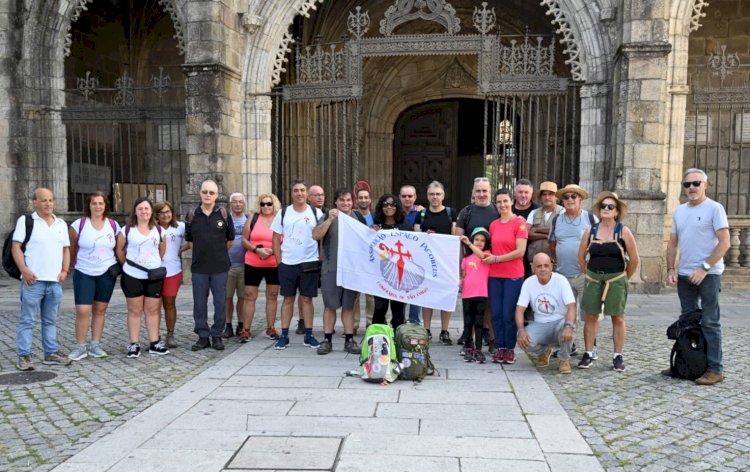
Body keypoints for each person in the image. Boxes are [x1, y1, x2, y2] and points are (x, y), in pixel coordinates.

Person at [664, 168, 730, 385]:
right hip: (684, 274)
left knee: (710, 322)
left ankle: (715, 369)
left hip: (709, 274)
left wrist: (704, 267)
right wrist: (671, 269)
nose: (691, 187)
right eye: (687, 184)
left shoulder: (714, 208)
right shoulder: (680, 211)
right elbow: (672, 243)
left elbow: (725, 243)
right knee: (687, 321)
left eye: (696, 183)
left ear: (705, 185)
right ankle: (686, 364)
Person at [577, 192, 639, 371]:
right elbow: (581, 256)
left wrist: (624, 278)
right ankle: (589, 353)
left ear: (616, 212)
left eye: (610, 207)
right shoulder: (591, 230)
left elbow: (634, 259)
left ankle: (617, 356)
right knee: (590, 316)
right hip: (593, 279)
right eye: (603, 206)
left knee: (618, 317)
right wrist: (589, 274)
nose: (606, 209)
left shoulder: (623, 231)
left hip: (616, 279)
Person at [13, 188, 72, 370]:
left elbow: (66, 249)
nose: (48, 204)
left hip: (54, 282)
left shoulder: (60, 223)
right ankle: (25, 356)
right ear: (35, 202)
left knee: (50, 320)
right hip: (33, 281)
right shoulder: (26, 221)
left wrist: (65, 270)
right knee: (27, 320)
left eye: (50, 200)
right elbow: (16, 247)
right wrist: (24, 270)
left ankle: (51, 353)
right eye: (44, 200)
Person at [67, 191, 121, 361]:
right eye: (94, 203)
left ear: (106, 206)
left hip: (106, 273)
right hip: (84, 272)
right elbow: (71, 248)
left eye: (101, 203)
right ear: (88, 206)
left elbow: (119, 249)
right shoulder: (79, 225)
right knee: (83, 310)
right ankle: (80, 345)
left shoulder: (113, 225)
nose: (97, 206)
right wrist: (70, 266)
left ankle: (95, 344)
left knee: (100, 310)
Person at [271, 180, 324, 350]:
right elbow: (275, 238)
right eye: (296, 190)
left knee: (307, 299)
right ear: (291, 193)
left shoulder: (316, 212)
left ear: (307, 194)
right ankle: (284, 335)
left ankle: (309, 335)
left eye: (302, 190)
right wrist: (279, 262)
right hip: (288, 263)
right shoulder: (283, 212)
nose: (299, 193)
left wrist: (320, 258)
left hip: (309, 262)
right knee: (288, 299)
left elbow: (322, 237)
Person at [312, 188, 364, 355]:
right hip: (331, 267)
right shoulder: (327, 215)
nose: (345, 203)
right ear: (335, 202)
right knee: (330, 305)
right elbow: (316, 235)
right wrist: (329, 220)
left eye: (348, 200)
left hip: (351, 269)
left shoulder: (358, 218)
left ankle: (349, 339)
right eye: (342, 200)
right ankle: (327, 339)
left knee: (349, 306)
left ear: (352, 201)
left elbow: (367, 239)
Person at [115, 197, 168, 358]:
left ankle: (154, 342)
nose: (144, 211)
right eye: (140, 209)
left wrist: (151, 264)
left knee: (152, 310)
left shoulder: (159, 231)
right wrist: (130, 266)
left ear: (151, 211)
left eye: (146, 208)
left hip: (153, 275)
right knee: (134, 310)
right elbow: (120, 251)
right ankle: (134, 343)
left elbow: (161, 250)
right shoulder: (127, 230)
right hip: (132, 275)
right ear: (135, 212)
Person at [549, 184, 597, 357]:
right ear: (562, 200)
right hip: (563, 275)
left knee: (589, 315)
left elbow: (599, 242)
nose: (570, 199)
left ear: (580, 200)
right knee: (564, 314)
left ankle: (592, 348)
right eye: (566, 197)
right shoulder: (557, 220)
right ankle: (570, 346)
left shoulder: (590, 219)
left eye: (573, 197)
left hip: (585, 275)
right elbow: (552, 244)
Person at [186, 180, 235, 352]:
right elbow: (190, 240)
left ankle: (217, 336)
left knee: (220, 303)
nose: (208, 195)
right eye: (205, 192)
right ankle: (203, 336)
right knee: (199, 303)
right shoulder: (192, 215)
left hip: (220, 267)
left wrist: (216, 252)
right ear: (200, 193)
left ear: (217, 195)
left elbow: (230, 240)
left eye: (211, 193)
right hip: (199, 268)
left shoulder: (223, 214)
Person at [455, 177, 500, 352]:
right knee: (471, 304)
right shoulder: (466, 212)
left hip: (493, 264)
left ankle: (490, 337)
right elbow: (457, 239)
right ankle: (469, 338)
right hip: (472, 266)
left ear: (490, 191)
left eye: (485, 191)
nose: (481, 194)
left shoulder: (497, 210)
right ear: (473, 192)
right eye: (478, 191)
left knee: (490, 304)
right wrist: (460, 267)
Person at [515, 253, 577, 374]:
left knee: (568, 328)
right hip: (540, 324)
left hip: (560, 322)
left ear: (551, 266)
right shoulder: (528, 283)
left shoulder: (561, 280)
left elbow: (571, 306)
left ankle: (564, 359)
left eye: (546, 265)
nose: (543, 269)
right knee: (523, 340)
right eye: (539, 266)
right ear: (533, 268)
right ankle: (543, 351)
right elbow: (519, 309)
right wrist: (521, 331)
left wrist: (568, 325)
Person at [486, 188, 528, 364]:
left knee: (508, 314)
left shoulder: (519, 223)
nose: (502, 205)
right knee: (496, 313)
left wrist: (496, 258)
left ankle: (509, 349)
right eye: (499, 202)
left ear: (512, 201)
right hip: (494, 275)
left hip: (513, 275)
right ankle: (500, 347)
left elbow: (520, 251)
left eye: (505, 201)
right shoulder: (494, 225)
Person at [414, 180, 456, 344]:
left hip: (446, 263)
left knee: (446, 295)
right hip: (426, 263)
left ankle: (445, 330)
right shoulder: (421, 214)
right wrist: (426, 235)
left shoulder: (451, 213)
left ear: (443, 195)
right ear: (427, 196)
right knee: (427, 296)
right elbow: (417, 236)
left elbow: (454, 237)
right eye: (432, 194)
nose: (435, 197)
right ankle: (427, 329)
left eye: (438, 194)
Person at [242, 193, 282, 342]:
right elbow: (244, 240)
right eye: (263, 204)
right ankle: (246, 330)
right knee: (249, 295)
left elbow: (284, 238)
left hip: (273, 262)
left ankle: (271, 328)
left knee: (272, 295)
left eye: (269, 204)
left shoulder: (279, 219)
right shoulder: (253, 218)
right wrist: (256, 250)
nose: (266, 207)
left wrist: (274, 250)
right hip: (253, 261)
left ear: (274, 205)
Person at [371, 193, 413, 329]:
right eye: (385, 204)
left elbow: (415, 248)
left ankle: (398, 339)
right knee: (379, 310)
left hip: (399, 275)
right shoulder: (375, 227)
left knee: (399, 312)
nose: (388, 207)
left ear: (397, 207)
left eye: (392, 204)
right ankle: (377, 339)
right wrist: (371, 232)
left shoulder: (406, 227)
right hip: (380, 275)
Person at [154, 200, 189, 348]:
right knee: (153, 306)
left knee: (169, 304)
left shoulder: (180, 227)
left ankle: (170, 333)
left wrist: (179, 250)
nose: (165, 215)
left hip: (172, 271)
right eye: (161, 212)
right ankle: (155, 335)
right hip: (154, 271)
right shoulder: (151, 228)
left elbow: (192, 240)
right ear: (156, 215)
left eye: (168, 211)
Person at [295, 184, 326, 335]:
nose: (320, 197)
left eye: (322, 194)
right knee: (304, 293)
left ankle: (328, 323)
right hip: (308, 258)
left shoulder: (325, 213)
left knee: (326, 291)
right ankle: (302, 321)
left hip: (325, 259)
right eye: (316, 195)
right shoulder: (303, 213)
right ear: (309, 197)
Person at [459, 227, 492, 363]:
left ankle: (478, 349)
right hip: (467, 295)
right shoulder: (466, 259)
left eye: (482, 240)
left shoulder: (488, 254)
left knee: (479, 323)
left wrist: (469, 243)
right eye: (476, 239)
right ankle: (468, 347)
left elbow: (482, 256)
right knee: (468, 323)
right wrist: (459, 281)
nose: (479, 242)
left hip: (481, 294)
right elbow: (463, 275)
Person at [224, 192, 248, 340]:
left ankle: (241, 323)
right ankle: (228, 325)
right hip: (228, 266)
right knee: (227, 297)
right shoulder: (225, 220)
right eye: (235, 202)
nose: (238, 204)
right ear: (230, 204)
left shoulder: (249, 220)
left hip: (245, 265)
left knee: (242, 298)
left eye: (240, 202)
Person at [399, 184, 424, 324]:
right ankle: (400, 320)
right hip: (398, 256)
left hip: (416, 258)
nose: (407, 199)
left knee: (415, 288)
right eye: (404, 196)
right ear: (399, 198)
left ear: (415, 198)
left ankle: (414, 321)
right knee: (399, 289)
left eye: (410, 196)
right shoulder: (395, 212)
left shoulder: (422, 213)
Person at [352, 187, 375, 331]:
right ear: (356, 200)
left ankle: (369, 323)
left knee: (371, 295)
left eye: (366, 197)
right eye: (360, 197)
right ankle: (353, 325)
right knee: (354, 295)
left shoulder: (375, 217)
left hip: (371, 261)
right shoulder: (351, 217)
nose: (363, 200)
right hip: (355, 259)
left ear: (370, 200)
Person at [526, 181, 562, 266]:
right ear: (541, 197)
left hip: (554, 261)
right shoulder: (533, 212)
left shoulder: (562, 212)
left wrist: (537, 229)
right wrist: (546, 236)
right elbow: (526, 233)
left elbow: (559, 231)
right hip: (535, 261)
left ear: (556, 197)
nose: (547, 197)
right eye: (544, 194)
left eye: (550, 194)